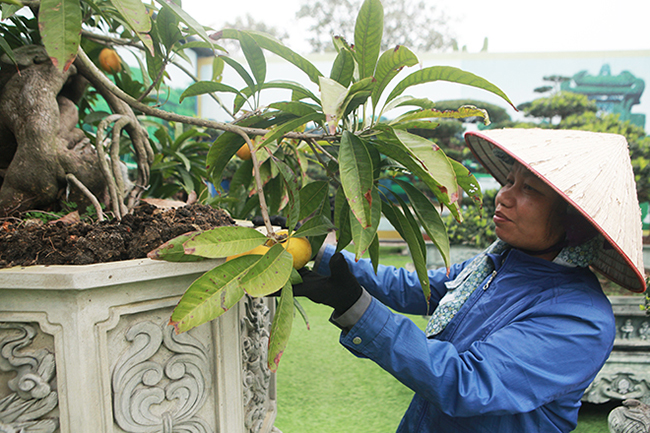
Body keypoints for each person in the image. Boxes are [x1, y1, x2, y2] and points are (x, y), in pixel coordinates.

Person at [293, 128, 646, 433]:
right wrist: (320, 253)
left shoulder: (579, 319)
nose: (503, 196)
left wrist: (357, 308)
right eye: (509, 181)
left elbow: (466, 382)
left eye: (531, 190)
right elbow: (416, 287)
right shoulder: (496, 263)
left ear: (574, 221)